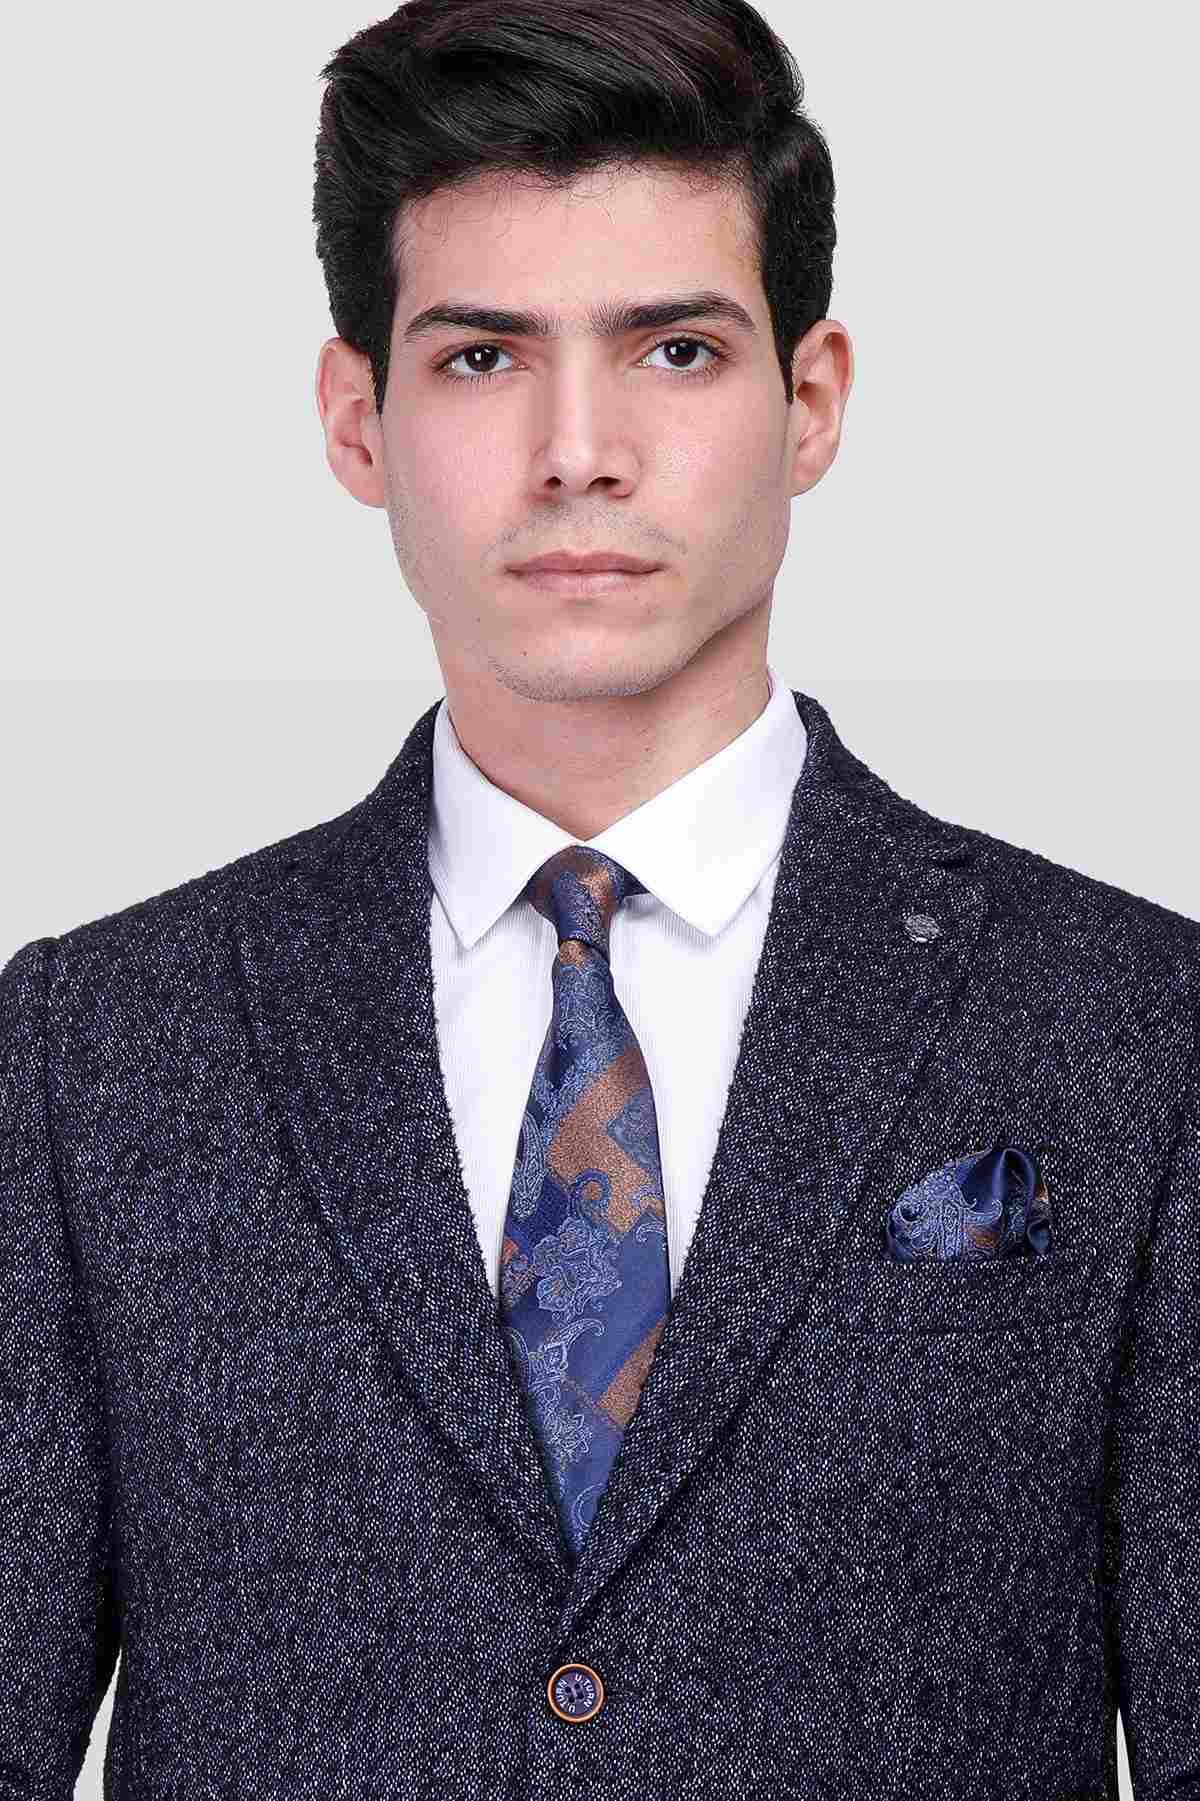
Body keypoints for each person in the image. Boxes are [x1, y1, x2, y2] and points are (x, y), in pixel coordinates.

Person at [2, 0, 1196, 1793]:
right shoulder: (91, 1048)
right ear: (357, 419)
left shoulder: (1133, 1024)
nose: (579, 449)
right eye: (484, 356)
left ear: (811, 401)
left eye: (676, 351)